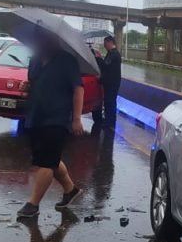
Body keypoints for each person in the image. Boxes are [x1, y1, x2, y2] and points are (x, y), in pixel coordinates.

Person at [17, 28, 85, 219]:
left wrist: (76, 119)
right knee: (49, 160)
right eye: (37, 39)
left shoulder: (67, 61)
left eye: (43, 38)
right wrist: (27, 87)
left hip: (57, 119)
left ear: (54, 39)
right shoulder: (36, 60)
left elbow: (78, 89)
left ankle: (33, 204)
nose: (39, 42)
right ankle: (70, 190)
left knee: (45, 162)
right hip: (35, 116)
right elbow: (33, 82)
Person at [100, 34, 122, 129]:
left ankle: (110, 121)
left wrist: (98, 58)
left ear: (110, 43)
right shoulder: (111, 53)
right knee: (109, 101)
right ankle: (109, 120)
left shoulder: (114, 54)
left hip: (112, 83)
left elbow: (105, 65)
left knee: (110, 101)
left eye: (105, 43)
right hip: (109, 82)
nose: (104, 46)